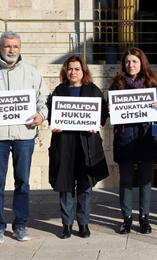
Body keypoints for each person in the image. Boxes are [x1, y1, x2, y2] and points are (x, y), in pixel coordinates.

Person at [0, 31, 49, 244]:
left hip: (24, 136)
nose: (11, 50)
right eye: (7, 47)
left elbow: (44, 99)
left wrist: (41, 115)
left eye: (15, 47)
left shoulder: (31, 73)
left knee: (22, 181)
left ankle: (20, 224)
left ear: (19, 49)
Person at [47, 55, 109, 239]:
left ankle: (83, 223)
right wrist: (54, 124)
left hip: (86, 144)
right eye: (70, 69)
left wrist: (97, 124)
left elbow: (102, 113)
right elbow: (52, 114)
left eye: (76, 69)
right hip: (64, 143)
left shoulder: (93, 90)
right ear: (65, 71)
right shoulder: (59, 90)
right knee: (65, 185)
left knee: (85, 185)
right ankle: (67, 224)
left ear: (83, 71)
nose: (73, 72)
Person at [110, 47, 157, 234]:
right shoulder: (117, 84)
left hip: (146, 137)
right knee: (125, 180)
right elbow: (111, 113)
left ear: (142, 63)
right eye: (127, 61)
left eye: (134, 61)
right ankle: (127, 219)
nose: (131, 65)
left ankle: (144, 219)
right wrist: (110, 109)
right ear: (123, 64)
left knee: (145, 181)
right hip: (124, 138)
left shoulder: (153, 84)